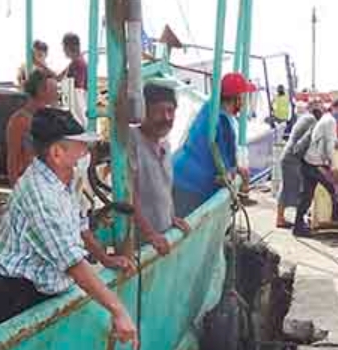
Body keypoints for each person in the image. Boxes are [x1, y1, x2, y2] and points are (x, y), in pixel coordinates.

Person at [0, 108, 138, 345]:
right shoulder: (39, 194)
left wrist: (104, 258)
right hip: (20, 300)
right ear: (57, 153)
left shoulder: (64, 179)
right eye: (80, 146)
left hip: (49, 292)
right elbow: (72, 263)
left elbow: (80, 224)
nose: (86, 153)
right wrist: (118, 311)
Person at [172, 72, 258, 216]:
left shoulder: (209, 107)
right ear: (236, 98)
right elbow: (224, 170)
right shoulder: (223, 121)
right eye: (243, 96)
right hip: (193, 185)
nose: (245, 101)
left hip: (177, 171)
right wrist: (238, 175)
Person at [130, 82, 192, 255]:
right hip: (140, 243)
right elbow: (129, 194)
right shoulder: (131, 142)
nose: (166, 117)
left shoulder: (165, 144)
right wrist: (150, 234)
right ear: (144, 112)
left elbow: (163, 190)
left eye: (170, 111)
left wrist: (171, 218)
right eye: (159, 111)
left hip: (162, 236)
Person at [294, 98, 338, 236]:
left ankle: (298, 226)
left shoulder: (326, 119)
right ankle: (336, 216)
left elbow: (327, 139)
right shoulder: (331, 121)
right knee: (336, 187)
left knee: (307, 195)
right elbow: (328, 146)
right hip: (316, 163)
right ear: (335, 108)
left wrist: (337, 142)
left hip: (308, 161)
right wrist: (332, 166)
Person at [6, 66, 61, 183]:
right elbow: (13, 159)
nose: (57, 94)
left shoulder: (50, 116)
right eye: (54, 89)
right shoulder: (20, 120)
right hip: (30, 182)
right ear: (41, 91)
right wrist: (16, 189)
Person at [277, 99, 323, 229]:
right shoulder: (311, 121)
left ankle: (281, 218)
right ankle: (296, 219)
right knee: (299, 189)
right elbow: (309, 141)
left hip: (289, 156)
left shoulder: (304, 118)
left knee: (286, 188)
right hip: (293, 158)